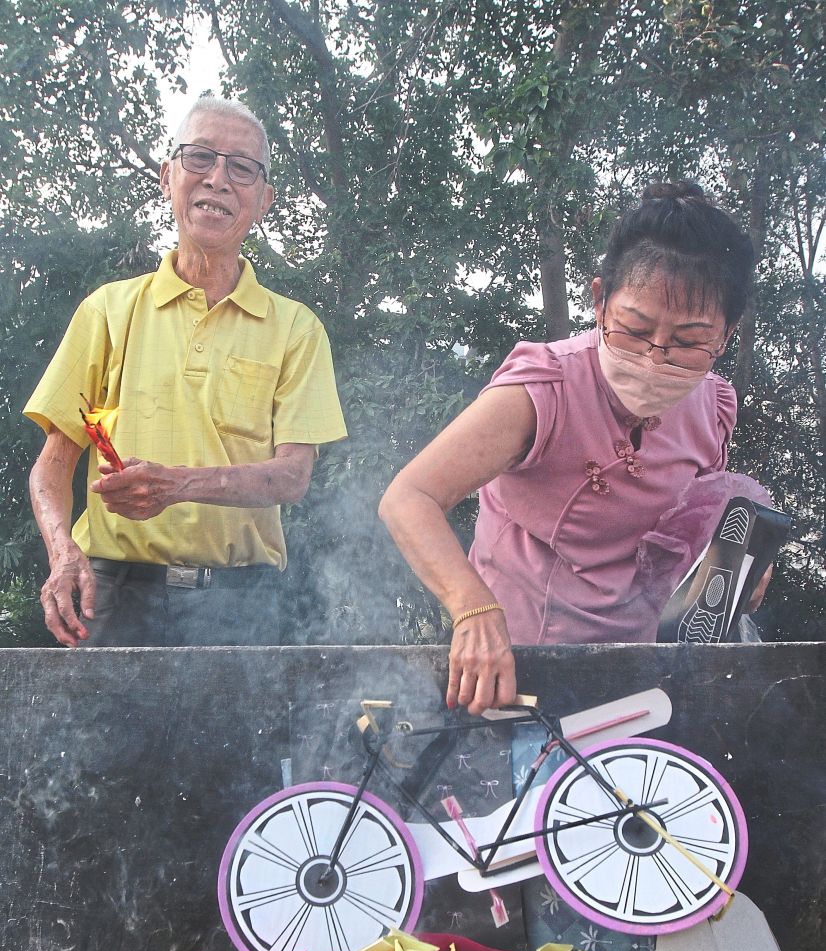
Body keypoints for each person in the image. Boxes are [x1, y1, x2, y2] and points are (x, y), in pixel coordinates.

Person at [380, 181, 771, 713]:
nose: (655, 360)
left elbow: (690, 522)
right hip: (520, 668)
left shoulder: (712, 408)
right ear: (600, 302)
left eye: (687, 342)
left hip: (639, 674)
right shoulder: (542, 391)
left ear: (725, 337)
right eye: (634, 330)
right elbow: (409, 498)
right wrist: (471, 610)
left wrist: (735, 565)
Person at [25, 97, 346, 647]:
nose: (218, 180)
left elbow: (292, 476)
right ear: (167, 176)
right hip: (113, 596)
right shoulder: (109, 312)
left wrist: (178, 485)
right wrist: (62, 553)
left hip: (243, 605)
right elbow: (55, 464)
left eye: (242, 167)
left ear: (263, 200)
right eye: (200, 158)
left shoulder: (294, 328)